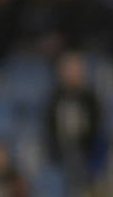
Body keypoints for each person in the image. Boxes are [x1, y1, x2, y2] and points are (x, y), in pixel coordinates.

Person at [43, 52, 105, 187]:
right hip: (61, 151)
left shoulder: (90, 98)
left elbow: (96, 126)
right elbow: (49, 128)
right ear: (62, 73)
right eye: (70, 70)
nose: (74, 74)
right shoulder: (54, 98)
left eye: (77, 70)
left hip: (87, 150)